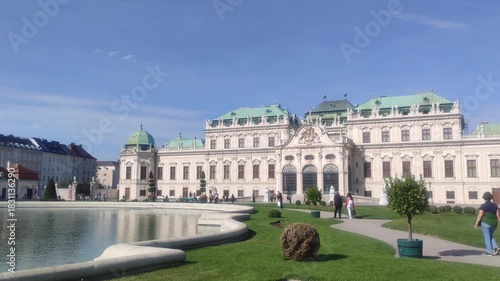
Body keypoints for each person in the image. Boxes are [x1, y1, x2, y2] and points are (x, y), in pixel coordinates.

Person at [474, 191, 500, 256]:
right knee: (491, 235)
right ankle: (496, 248)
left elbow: (480, 215)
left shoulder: (483, 205)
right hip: (494, 223)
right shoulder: (495, 205)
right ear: (491, 197)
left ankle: (489, 252)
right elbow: (498, 215)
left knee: (487, 237)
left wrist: (476, 224)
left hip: (486, 222)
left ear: (484, 198)